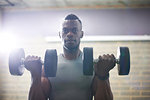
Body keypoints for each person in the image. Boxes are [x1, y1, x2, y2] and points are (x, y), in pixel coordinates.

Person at [24, 14, 115, 100]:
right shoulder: (48, 67)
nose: (70, 34)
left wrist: (104, 75)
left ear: (81, 34)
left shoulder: (93, 66)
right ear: (60, 34)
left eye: (74, 30)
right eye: (65, 30)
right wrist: (35, 74)